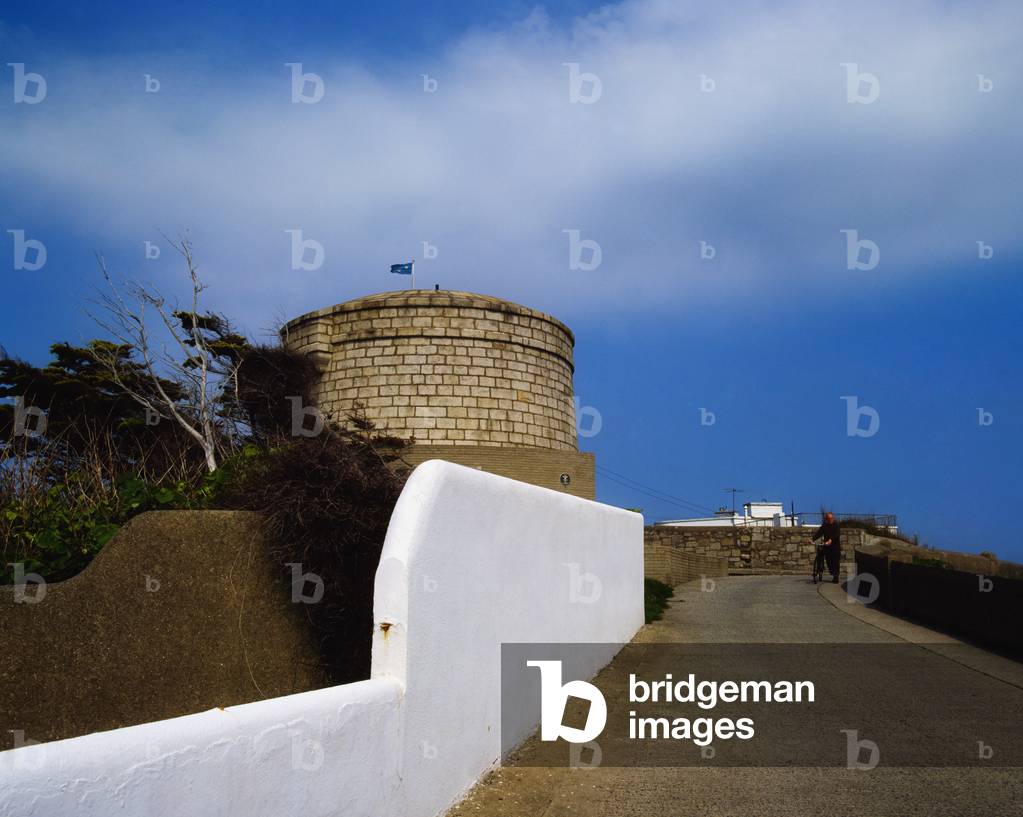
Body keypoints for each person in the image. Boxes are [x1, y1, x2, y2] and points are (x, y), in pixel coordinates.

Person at [811, 512, 841, 583]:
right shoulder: (824, 526)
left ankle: (835, 576)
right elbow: (819, 533)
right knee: (827, 560)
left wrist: (831, 540)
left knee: (835, 562)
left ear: (833, 518)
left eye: (831, 518)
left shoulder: (836, 525)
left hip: (835, 547)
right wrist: (812, 539)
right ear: (826, 519)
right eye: (828, 518)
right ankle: (819, 569)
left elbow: (837, 534)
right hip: (827, 547)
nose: (830, 519)